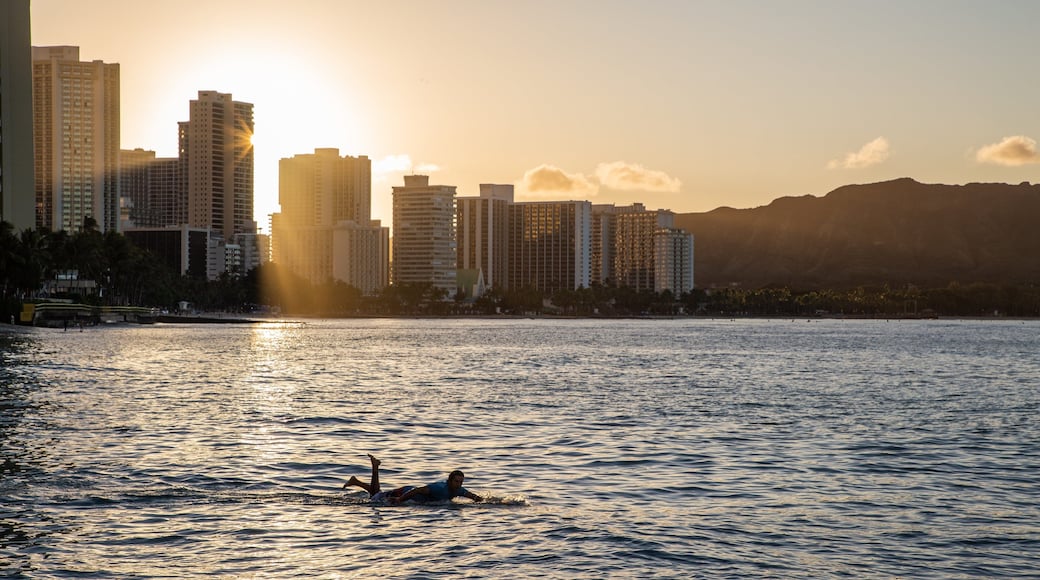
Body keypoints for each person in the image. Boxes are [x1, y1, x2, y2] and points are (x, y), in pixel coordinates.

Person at [344, 454, 483, 504]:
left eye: (461, 482)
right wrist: (400, 500)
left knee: (375, 494)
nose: (459, 484)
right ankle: (375, 467)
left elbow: (475, 497)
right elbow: (417, 490)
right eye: (456, 481)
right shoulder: (439, 488)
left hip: (409, 496)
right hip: (405, 492)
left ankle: (356, 481)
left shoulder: (459, 490)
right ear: (450, 480)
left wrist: (491, 501)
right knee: (375, 498)